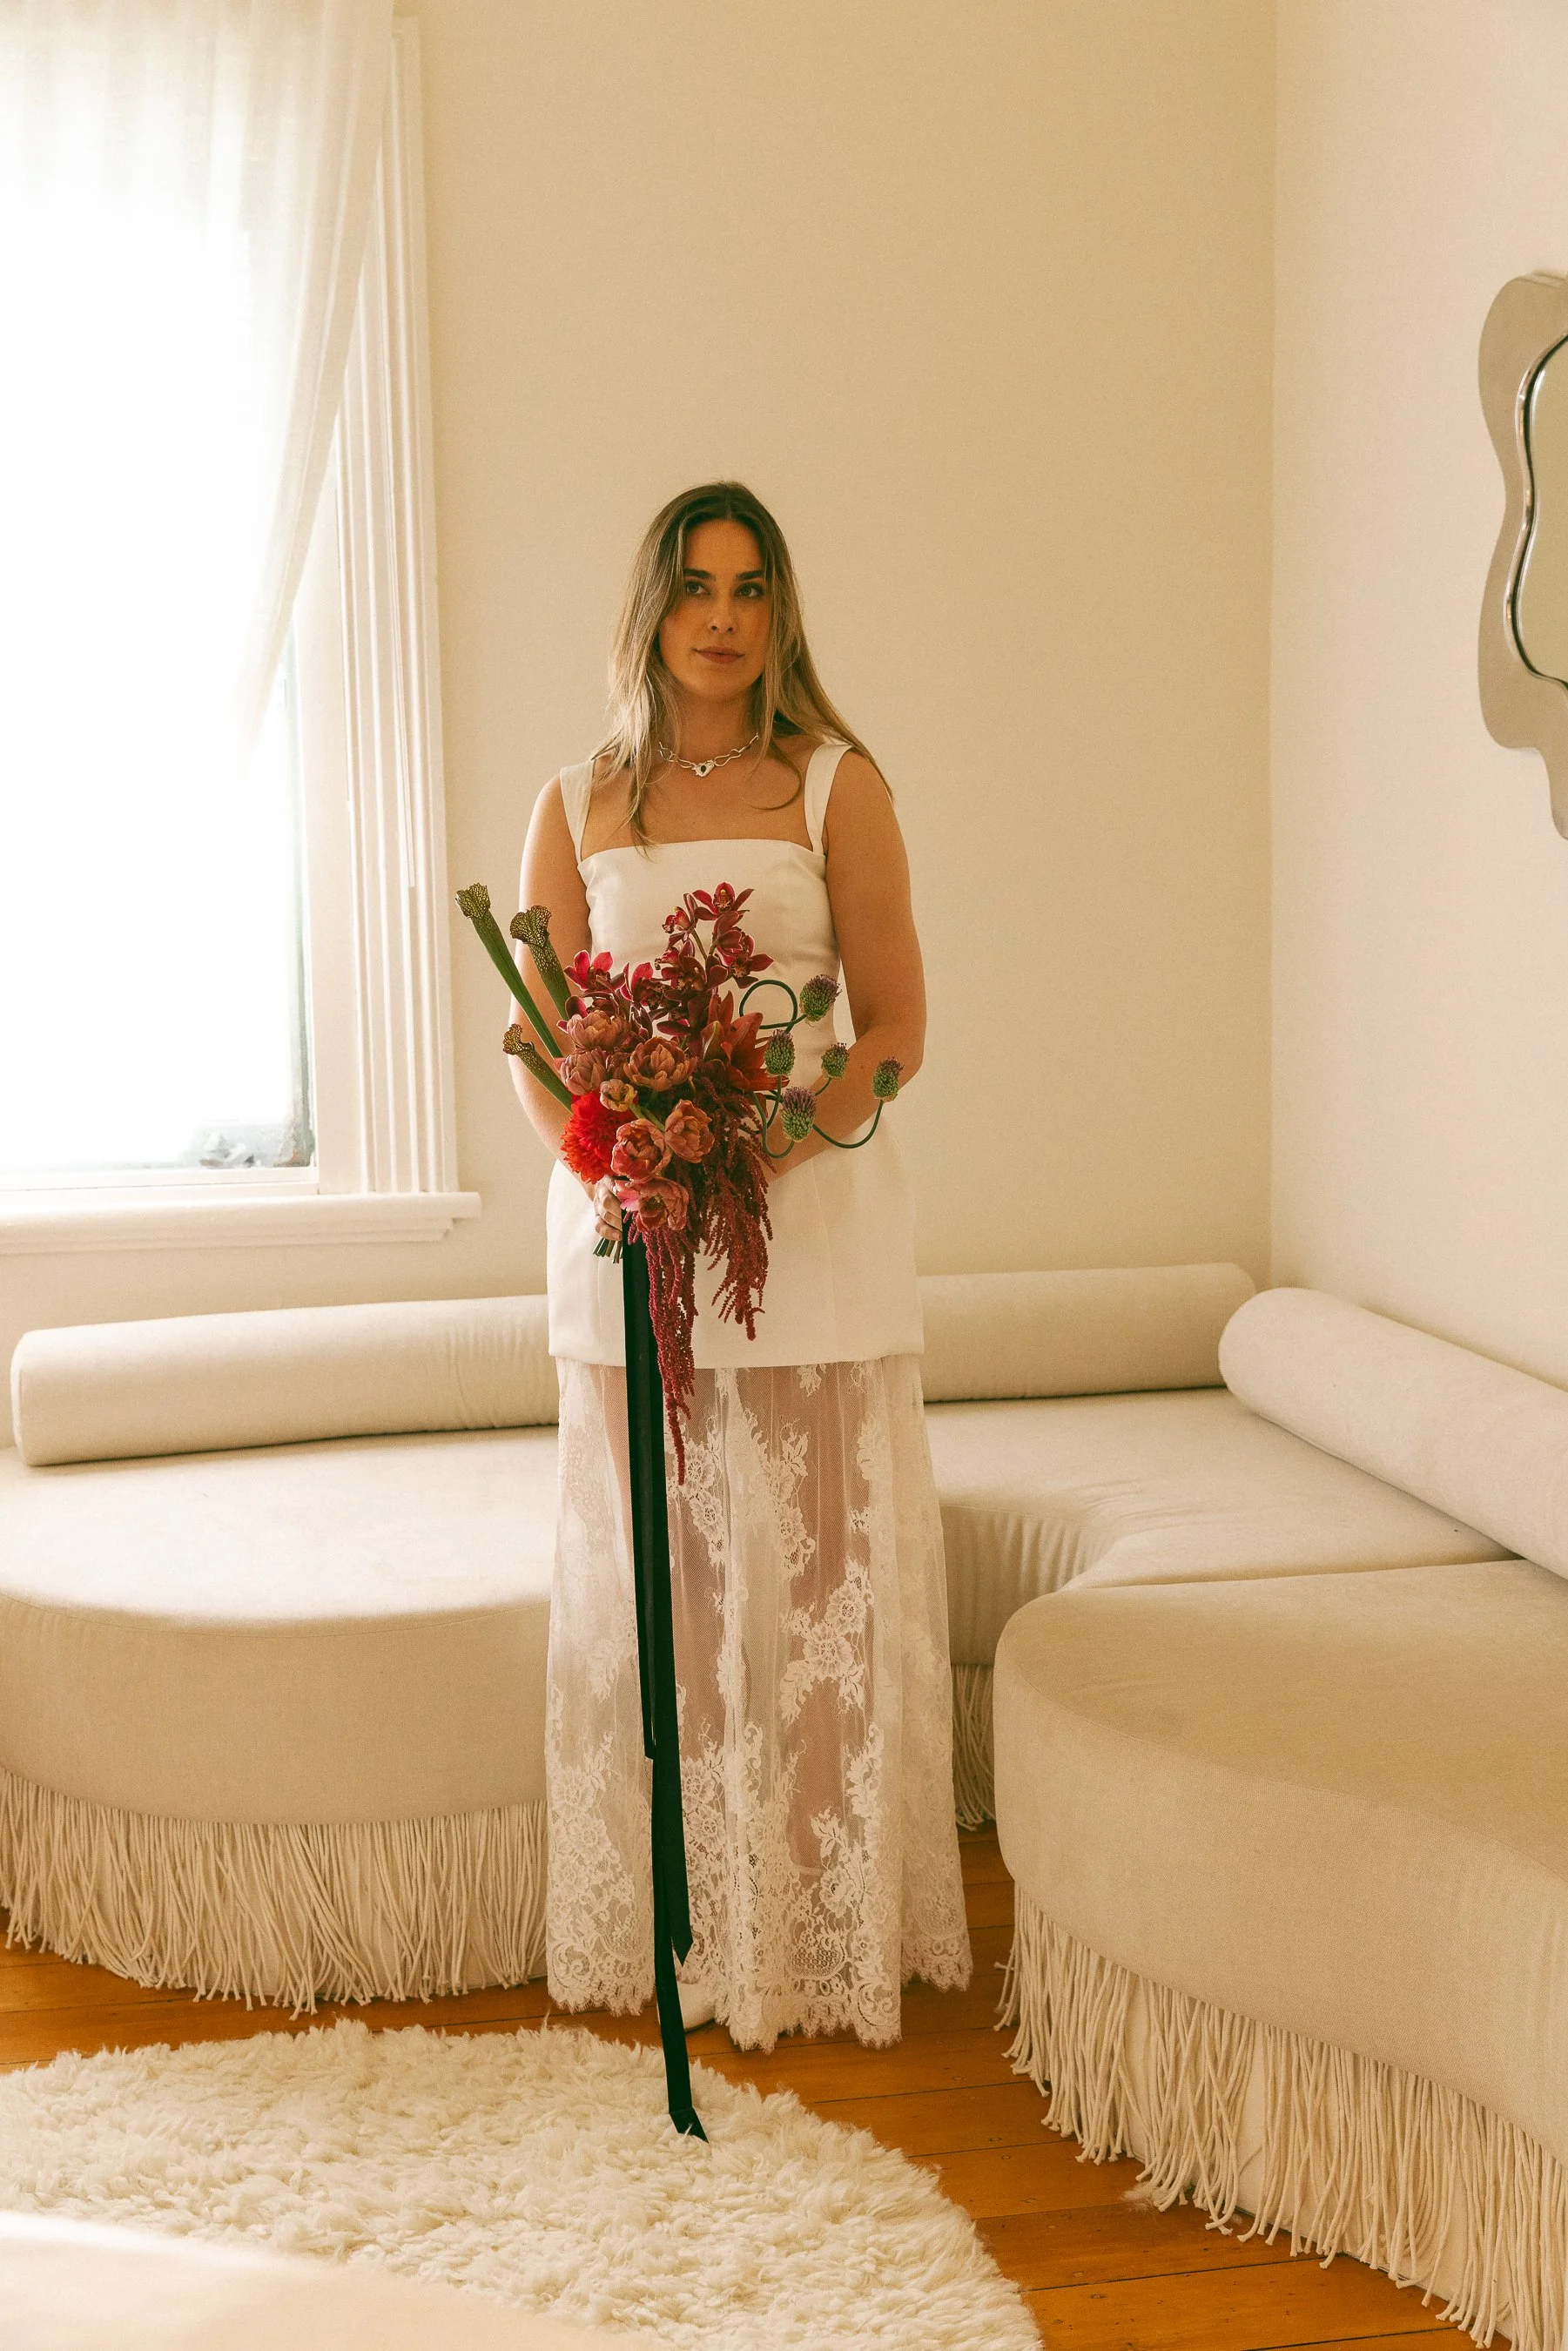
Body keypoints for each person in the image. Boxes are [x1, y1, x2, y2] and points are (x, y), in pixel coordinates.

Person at [512, 480, 970, 2053]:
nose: (722, 616)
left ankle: (825, 1936)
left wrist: (776, 1142)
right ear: (652, 609)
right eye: (696, 586)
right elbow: (545, 1036)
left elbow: (894, 1028)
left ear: (781, 611)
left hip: (810, 1230)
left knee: (821, 1592)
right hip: (631, 1238)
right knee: (673, 1595)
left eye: (751, 587)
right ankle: (689, 1927)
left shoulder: (838, 783)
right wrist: (617, 1165)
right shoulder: (577, 798)